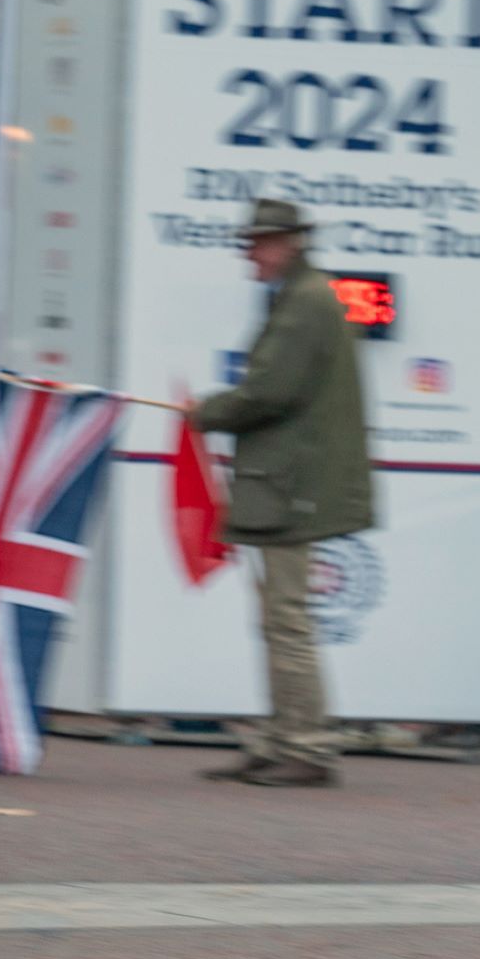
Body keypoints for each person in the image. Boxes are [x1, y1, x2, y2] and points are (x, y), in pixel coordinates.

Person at [189, 199, 375, 788]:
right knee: (279, 619)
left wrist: (207, 412)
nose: (250, 255)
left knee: (286, 620)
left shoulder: (304, 304)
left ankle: (308, 747)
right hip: (291, 485)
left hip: (292, 488)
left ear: (288, 243)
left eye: (259, 243)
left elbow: (269, 392)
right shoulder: (306, 297)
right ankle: (283, 740)